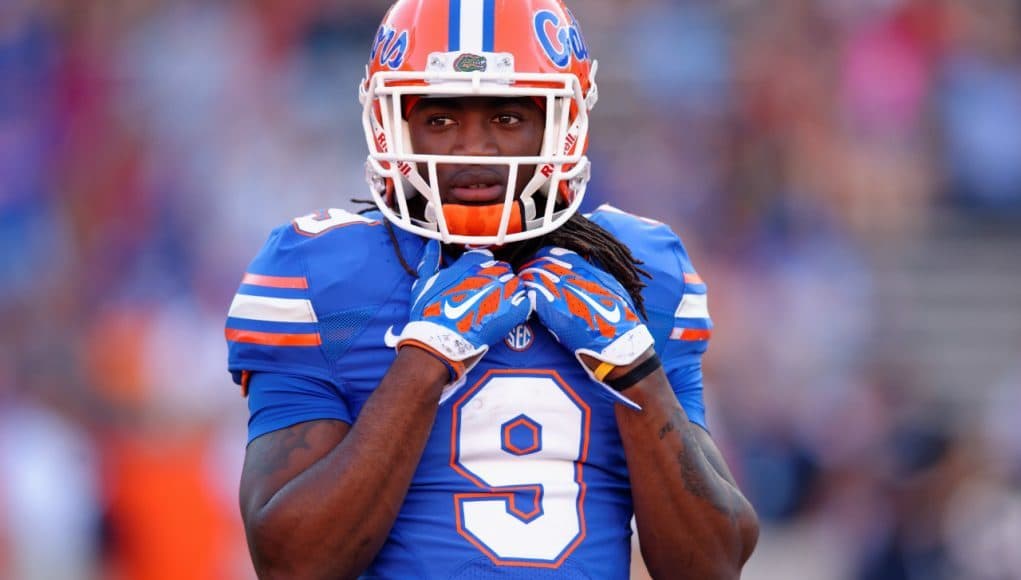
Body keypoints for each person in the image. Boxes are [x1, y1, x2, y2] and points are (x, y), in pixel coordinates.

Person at [225, 0, 759, 578]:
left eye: (505, 119)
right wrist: (423, 362)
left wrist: (637, 373)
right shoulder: (321, 270)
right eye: (440, 119)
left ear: (564, 123)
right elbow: (290, 563)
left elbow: (713, 563)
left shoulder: (642, 269)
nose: (472, 148)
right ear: (390, 122)